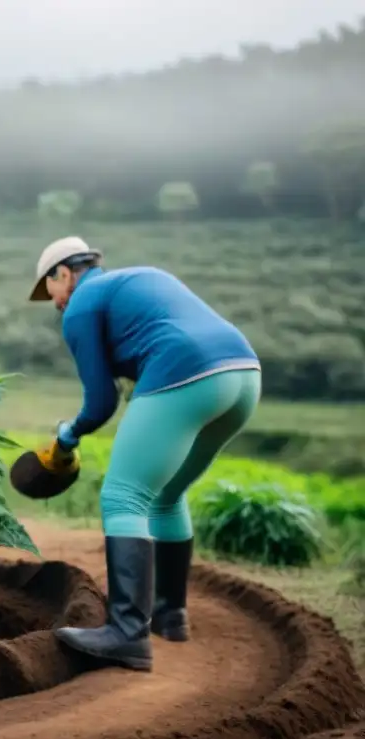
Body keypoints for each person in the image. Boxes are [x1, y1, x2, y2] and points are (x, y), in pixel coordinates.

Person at [28, 236, 261, 672]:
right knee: (167, 497)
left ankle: (126, 632)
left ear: (64, 273)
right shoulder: (143, 278)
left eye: (50, 290)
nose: (54, 302)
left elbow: (100, 402)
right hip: (244, 376)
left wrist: (67, 435)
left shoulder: (81, 306)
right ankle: (170, 615)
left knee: (123, 497)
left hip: (186, 372)